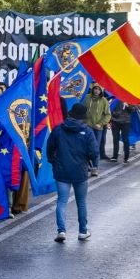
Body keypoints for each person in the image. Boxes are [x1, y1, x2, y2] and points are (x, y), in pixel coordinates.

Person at [48, 104, 99, 243]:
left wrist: (53, 162)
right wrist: (93, 164)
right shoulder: (87, 131)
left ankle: (61, 231)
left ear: (70, 114)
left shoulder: (58, 129)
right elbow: (94, 152)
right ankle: (83, 231)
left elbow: (50, 148)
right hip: (80, 171)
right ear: (82, 117)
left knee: (61, 201)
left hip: (61, 169)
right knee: (81, 202)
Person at [82, 86, 111, 171]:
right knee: (86, 146)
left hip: (98, 128)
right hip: (87, 126)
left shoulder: (104, 100)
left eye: (99, 89)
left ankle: (95, 167)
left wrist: (101, 123)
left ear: (101, 90)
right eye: (95, 88)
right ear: (92, 89)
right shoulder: (86, 97)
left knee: (95, 147)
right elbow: (81, 109)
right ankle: (86, 165)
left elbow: (108, 114)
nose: (97, 91)